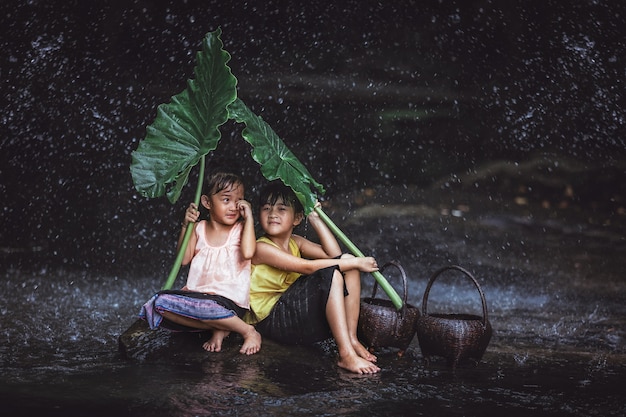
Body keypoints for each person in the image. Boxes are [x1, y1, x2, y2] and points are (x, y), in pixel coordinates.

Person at [245, 181, 381, 374]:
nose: (272, 214)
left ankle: (351, 339)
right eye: (266, 208)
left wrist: (315, 218)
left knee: (347, 262)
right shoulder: (261, 247)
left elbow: (334, 255)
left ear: (297, 218)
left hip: (292, 310)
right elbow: (307, 267)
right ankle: (345, 355)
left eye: (281, 209)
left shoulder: (296, 242)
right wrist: (357, 262)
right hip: (271, 321)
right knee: (335, 271)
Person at [139, 172, 262, 355]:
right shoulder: (198, 228)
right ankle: (219, 327)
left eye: (239, 201)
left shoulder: (241, 229)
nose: (233, 207)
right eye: (226, 200)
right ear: (207, 202)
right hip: (199, 297)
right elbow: (184, 259)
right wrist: (185, 226)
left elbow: (248, 252)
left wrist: (249, 218)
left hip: (228, 301)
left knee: (209, 308)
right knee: (158, 303)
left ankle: (247, 330)